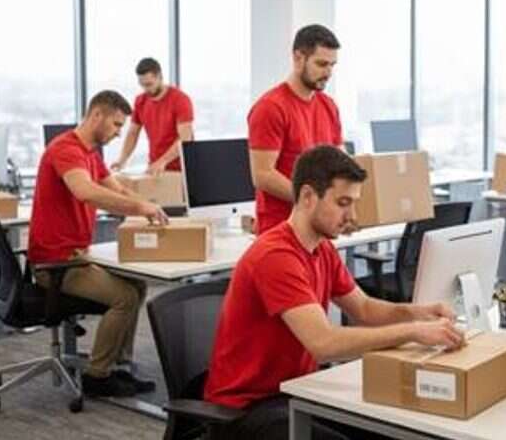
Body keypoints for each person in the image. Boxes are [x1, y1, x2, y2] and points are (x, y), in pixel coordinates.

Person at [205, 145, 464, 439]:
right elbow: (323, 343)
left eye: (353, 203)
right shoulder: (275, 256)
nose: (351, 215)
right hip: (247, 408)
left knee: (389, 430)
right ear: (307, 197)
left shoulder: (322, 248)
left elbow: (364, 309)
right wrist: (413, 332)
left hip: (295, 390)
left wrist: (418, 313)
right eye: (343, 203)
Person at [28, 90, 170, 397]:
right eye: (116, 125)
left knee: (137, 285)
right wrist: (139, 208)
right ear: (96, 116)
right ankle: (97, 376)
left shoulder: (90, 154)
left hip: (77, 256)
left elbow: (117, 189)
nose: (119, 133)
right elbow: (86, 191)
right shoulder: (66, 149)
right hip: (56, 263)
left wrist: (151, 207)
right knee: (124, 298)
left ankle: (120, 365)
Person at [248, 24, 343, 235]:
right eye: (321, 64)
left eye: (332, 65)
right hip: (280, 230)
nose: (328, 73)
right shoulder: (270, 108)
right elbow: (262, 174)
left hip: (318, 228)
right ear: (298, 58)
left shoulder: (329, 106)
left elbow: (338, 164)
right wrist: (311, 200)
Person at [111, 58, 194, 175]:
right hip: (155, 167)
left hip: (181, 168)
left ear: (160, 77)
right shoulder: (140, 101)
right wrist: (122, 160)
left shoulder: (180, 100)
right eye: (142, 85)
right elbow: (132, 134)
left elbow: (185, 138)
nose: (146, 89)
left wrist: (162, 161)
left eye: (149, 84)